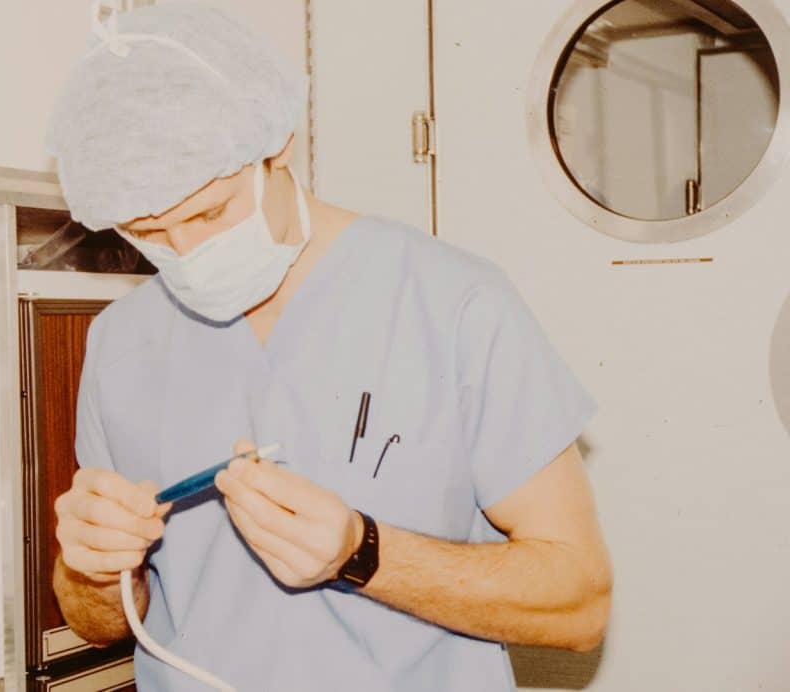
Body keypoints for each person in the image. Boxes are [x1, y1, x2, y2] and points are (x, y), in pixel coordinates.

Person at [47, 3, 612, 690]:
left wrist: (362, 554)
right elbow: (98, 619)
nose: (187, 252)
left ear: (277, 143)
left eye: (210, 212)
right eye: (148, 232)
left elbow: (580, 602)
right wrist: (93, 569)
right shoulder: (120, 342)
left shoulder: (454, 304)